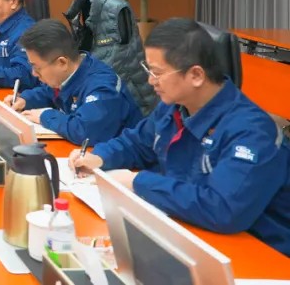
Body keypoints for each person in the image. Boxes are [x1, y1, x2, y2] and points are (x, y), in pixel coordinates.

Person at [71, 19, 290, 256]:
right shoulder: (176, 105)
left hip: (259, 252)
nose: (150, 81)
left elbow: (223, 209)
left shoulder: (251, 132)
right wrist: (100, 157)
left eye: (157, 73)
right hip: (191, 231)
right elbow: (137, 142)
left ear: (196, 75)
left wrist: (137, 182)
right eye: (148, 70)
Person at [5, 19, 142, 145]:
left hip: (122, 160)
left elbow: (85, 131)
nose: (33, 73)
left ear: (62, 63)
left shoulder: (101, 86)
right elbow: (50, 92)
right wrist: (25, 100)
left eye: (37, 67)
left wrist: (44, 116)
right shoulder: (68, 74)